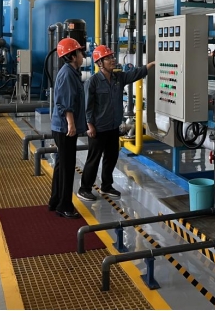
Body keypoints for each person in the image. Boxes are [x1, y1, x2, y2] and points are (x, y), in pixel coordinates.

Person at [77, 45, 154, 201]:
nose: (113, 60)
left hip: (113, 126)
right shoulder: (93, 82)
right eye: (108, 58)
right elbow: (87, 106)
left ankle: (106, 186)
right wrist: (89, 125)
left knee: (111, 157)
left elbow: (135, 74)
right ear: (100, 63)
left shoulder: (118, 78)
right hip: (98, 128)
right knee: (94, 159)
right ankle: (84, 188)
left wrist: (150, 65)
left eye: (112, 57)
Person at [48, 37, 87, 219]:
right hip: (65, 128)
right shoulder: (68, 74)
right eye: (79, 52)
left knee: (61, 164)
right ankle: (64, 206)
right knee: (67, 167)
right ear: (72, 56)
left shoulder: (70, 72)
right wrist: (71, 124)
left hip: (62, 127)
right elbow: (65, 102)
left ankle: (55, 200)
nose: (82, 55)